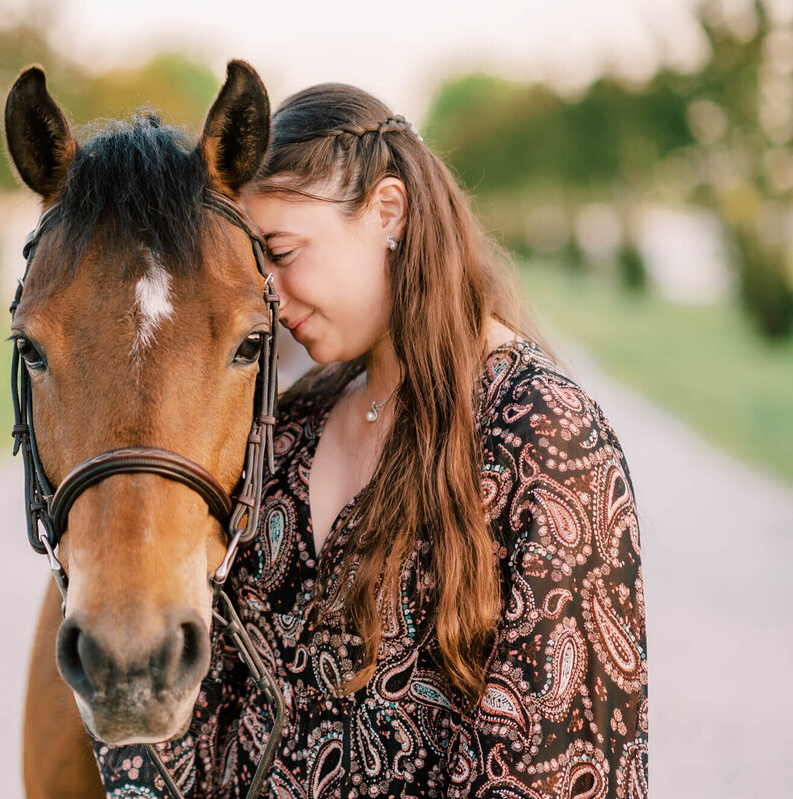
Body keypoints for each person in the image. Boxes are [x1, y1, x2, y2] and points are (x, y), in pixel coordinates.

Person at [95, 83, 648, 799]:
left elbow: (550, 760)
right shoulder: (287, 428)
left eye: (282, 251)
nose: (269, 293)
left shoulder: (544, 435)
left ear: (388, 212)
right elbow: (197, 707)